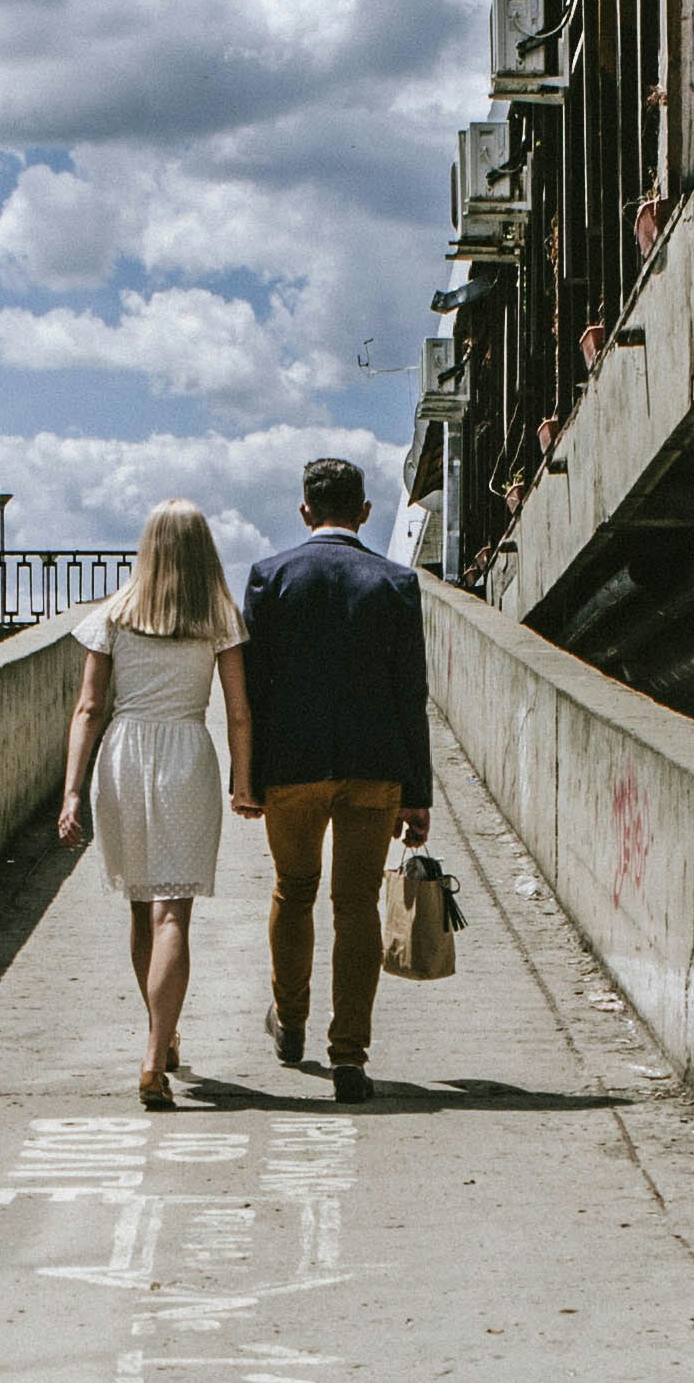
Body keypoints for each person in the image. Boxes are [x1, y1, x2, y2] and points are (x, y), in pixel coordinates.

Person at [238, 455, 434, 1102]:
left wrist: (249, 775)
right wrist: (418, 792)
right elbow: (412, 694)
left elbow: (254, 691)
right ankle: (349, 1058)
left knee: (293, 891)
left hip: (291, 769)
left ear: (304, 511)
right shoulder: (395, 583)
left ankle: (290, 1024)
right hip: (374, 769)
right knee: (355, 908)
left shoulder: (270, 578)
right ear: (365, 513)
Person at [52, 500, 255, 1111]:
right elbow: (240, 711)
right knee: (174, 916)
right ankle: (154, 1049)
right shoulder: (218, 616)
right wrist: (243, 780)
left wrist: (70, 790)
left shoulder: (114, 613)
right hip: (186, 757)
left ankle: (158, 1040)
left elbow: (88, 708)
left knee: (141, 912)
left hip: (123, 756)